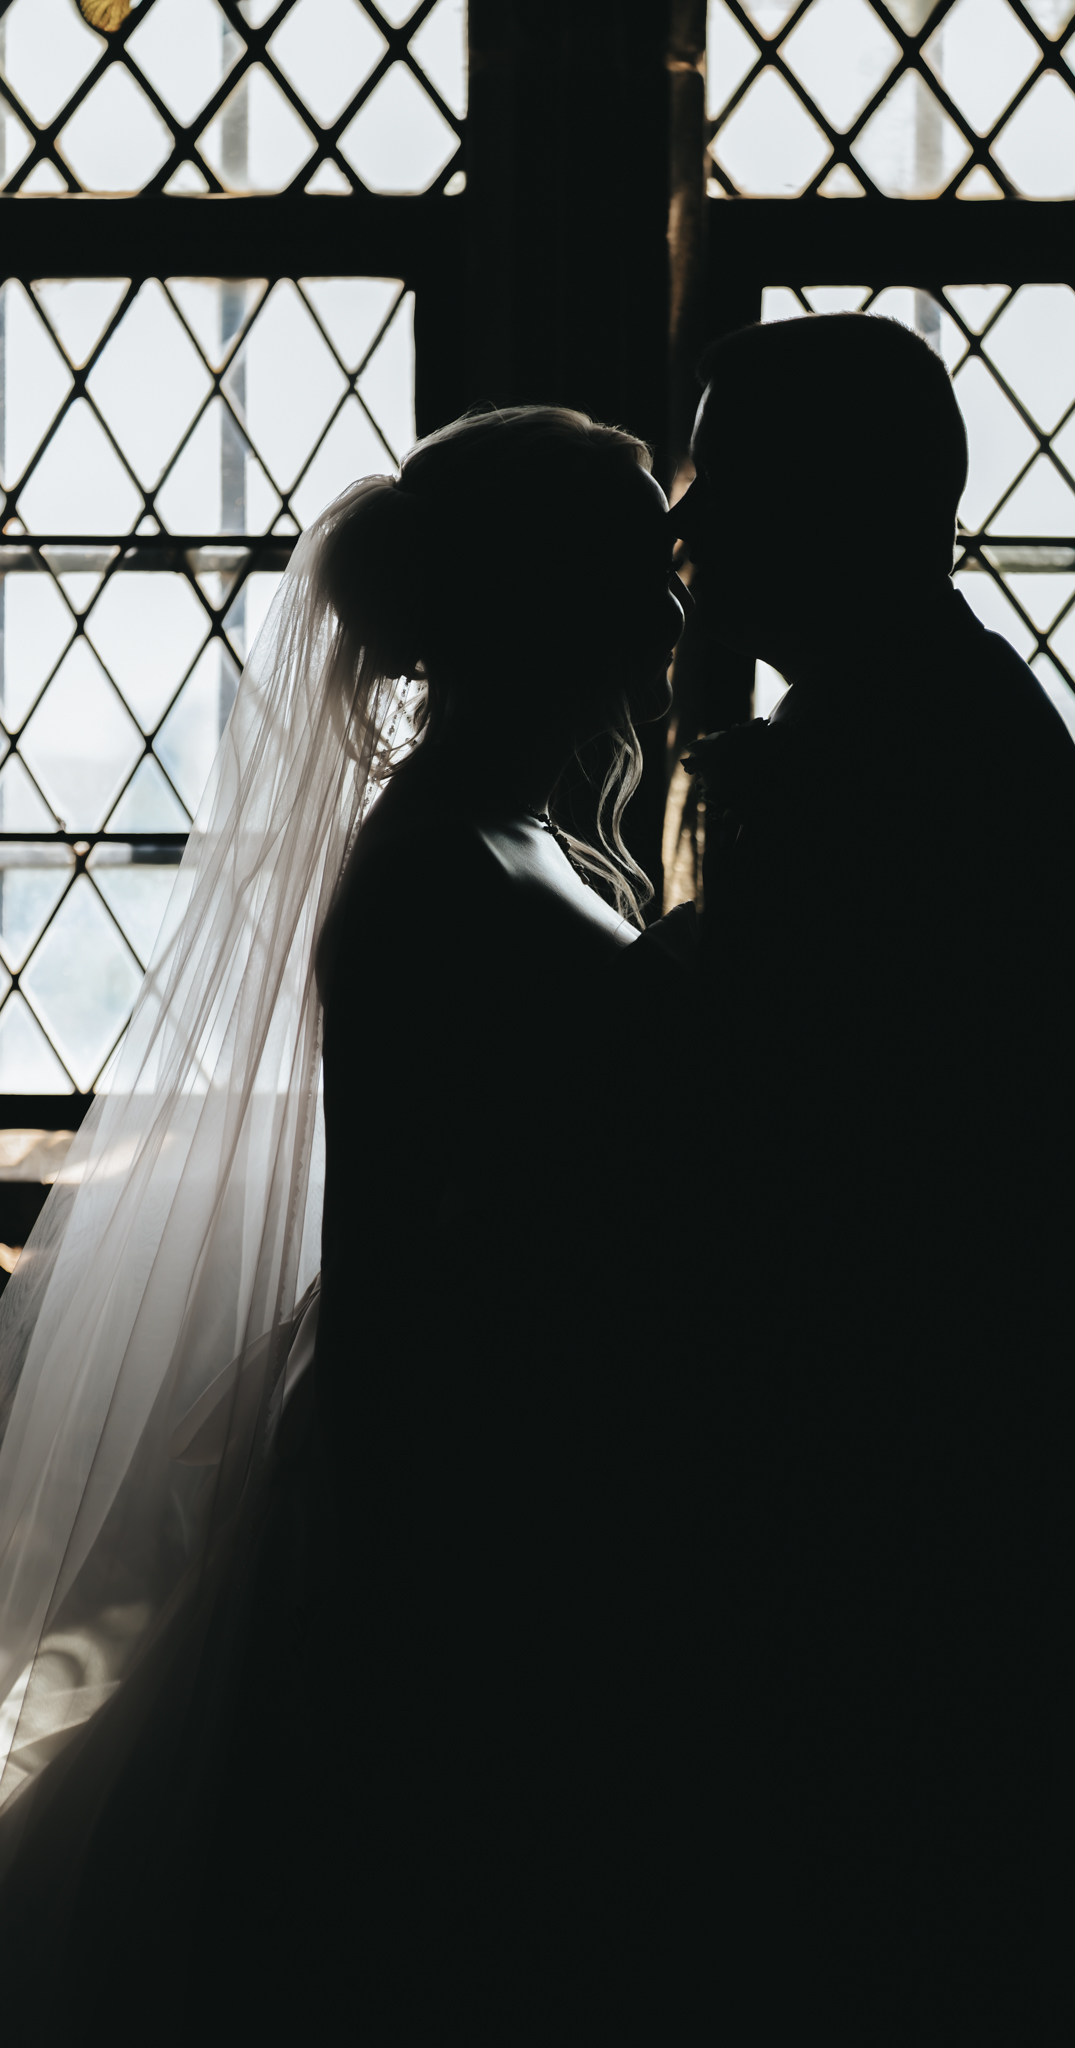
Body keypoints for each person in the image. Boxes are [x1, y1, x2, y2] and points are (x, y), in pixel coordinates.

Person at [0, 405, 697, 2035]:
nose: (675, 608)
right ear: (546, 602)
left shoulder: (519, 838)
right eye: (640, 566)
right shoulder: (437, 869)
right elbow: (400, 1248)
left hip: (544, 1447)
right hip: (468, 1482)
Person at [670, 313, 1075, 2031]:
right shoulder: (932, 713)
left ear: (835, 506)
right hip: (955, 1460)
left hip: (897, 1475)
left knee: (894, 1934)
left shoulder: (871, 767)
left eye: (721, 482)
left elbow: (776, 1138)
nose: (686, 527)